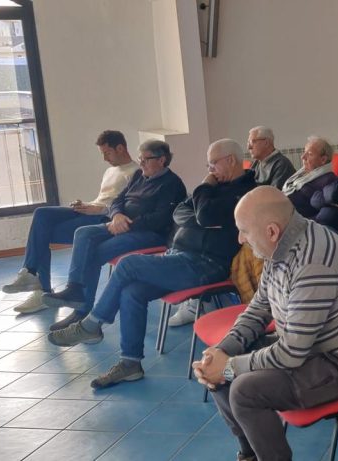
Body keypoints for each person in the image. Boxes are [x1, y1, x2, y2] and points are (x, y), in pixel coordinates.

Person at [193, 186, 338, 461]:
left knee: (244, 390)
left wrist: (228, 367)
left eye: (244, 231)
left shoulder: (313, 262)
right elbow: (259, 308)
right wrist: (222, 352)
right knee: (222, 365)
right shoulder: (281, 243)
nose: (240, 239)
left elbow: (292, 353)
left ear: (272, 231)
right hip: (312, 348)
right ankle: (250, 454)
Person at [46, 139, 257, 388]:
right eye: (208, 166)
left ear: (230, 160)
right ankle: (130, 364)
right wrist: (200, 213)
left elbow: (204, 214)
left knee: (128, 265)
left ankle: (92, 324)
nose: (209, 171)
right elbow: (180, 213)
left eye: (213, 164)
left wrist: (204, 190)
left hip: (206, 264)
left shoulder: (246, 193)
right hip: (180, 256)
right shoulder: (211, 189)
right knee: (132, 291)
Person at [42, 140, 187, 330]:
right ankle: (74, 289)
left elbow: (161, 219)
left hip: (150, 234)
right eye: (140, 159)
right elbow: (118, 200)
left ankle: (82, 313)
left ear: (162, 160)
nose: (141, 163)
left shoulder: (172, 184)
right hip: (121, 223)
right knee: (83, 233)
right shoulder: (139, 175)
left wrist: (126, 225)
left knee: (96, 252)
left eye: (146, 159)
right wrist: (117, 215)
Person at [3, 130, 139, 314]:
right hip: (91, 210)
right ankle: (30, 273)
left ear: (120, 148)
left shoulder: (135, 172)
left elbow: (128, 206)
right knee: (41, 214)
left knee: (41, 235)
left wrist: (100, 210)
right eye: (102, 154)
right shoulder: (110, 170)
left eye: (107, 153)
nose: (105, 158)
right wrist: (85, 205)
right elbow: (103, 198)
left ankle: (41, 288)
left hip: (104, 218)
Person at [282, 136, 338, 219]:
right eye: (304, 152)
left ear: (323, 159)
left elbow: (320, 210)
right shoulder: (303, 172)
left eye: (310, 154)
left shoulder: (328, 180)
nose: (302, 157)